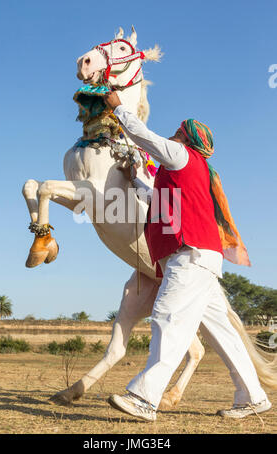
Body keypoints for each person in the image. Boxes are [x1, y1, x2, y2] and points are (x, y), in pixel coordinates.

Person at [103, 91, 272, 421]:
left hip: (190, 256)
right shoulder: (189, 171)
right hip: (202, 258)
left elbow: (142, 136)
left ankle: (144, 398)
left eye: (177, 130)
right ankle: (253, 396)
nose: (172, 133)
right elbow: (159, 199)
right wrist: (134, 178)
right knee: (220, 331)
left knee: (168, 316)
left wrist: (118, 107)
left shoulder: (181, 155)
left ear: (185, 136)